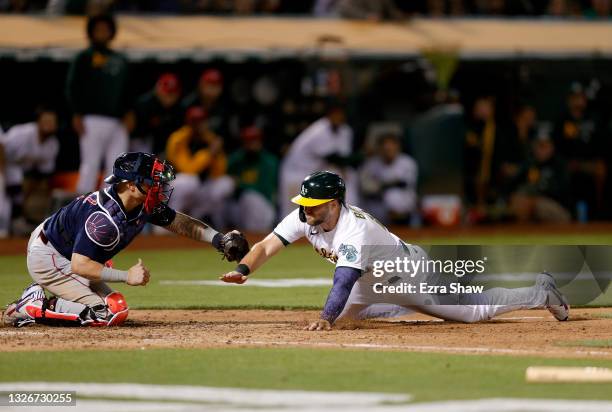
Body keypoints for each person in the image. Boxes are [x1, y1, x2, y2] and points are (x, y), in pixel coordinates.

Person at [220, 171, 569, 331]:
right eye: (305, 202)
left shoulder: (354, 231)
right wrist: (244, 270)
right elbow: (267, 244)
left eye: (314, 203)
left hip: (410, 277)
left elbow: (342, 281)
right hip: (370, 281)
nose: (306, 209)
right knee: (347, 320)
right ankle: (392, 309)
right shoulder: (306, 217)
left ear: (336, 203)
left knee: (473, 312)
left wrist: (325, 318)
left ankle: (541, 293)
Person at [2, 152, 248, 328]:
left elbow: (178, 222)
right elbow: (80, 265)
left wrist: (219, 239)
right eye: (152, 182)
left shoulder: (138, 201)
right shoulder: (103, 219)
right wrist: (126, 276)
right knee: (109, 312)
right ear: (131, 185)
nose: (158, 188)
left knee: (114, 303)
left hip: (69, 249)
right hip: (52, 258)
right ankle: (32, 307)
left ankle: (59, 298)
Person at [66, 14, 130, 194]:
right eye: (98, 29)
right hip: (91, 119)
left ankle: (110, 208)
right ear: (91, 32)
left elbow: (128, 89)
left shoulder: (121, 59)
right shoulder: (83, 57)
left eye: (106, 29)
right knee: (90, 164)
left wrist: (130, 112)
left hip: (117, 121)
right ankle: (82, 211)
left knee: (117, 166)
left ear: (112, 32)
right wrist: (76, 113)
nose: (102, 33)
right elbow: (72, 87)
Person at [279, 101, 359, 218]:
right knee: (291, 212)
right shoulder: (319, 130)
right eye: (334, 114)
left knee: (349, 179)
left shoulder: (345, 131)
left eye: (340, 114)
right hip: (295, 171)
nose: (337, 117)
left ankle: (348, 221)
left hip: (315, 171)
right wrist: (362, 155)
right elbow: (336, 158)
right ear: (328, 115)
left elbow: (343, 158)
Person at [166, 107, 233, 228]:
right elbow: (188, 169)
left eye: (201, 121)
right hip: (175, 188)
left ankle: (197, 217)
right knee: (190, 181)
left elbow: (220, 171)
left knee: (225, 183)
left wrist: (216, 154)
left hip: (199, 189)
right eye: (195, 121)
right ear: (189, 122)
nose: (199, 125)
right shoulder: (178, 138)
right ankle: (169, 220)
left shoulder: (210, 139)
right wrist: (209, 153)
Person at [0, 106, 59, 235]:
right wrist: (2, 173)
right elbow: (2, 145)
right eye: (46, 121)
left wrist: (32, 191)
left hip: (18, 171)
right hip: (4, 163)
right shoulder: (23, 133)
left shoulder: (52, 144)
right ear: (38, 122)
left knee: (17, 194)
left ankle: (12, 227)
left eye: (52, 122)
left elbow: (43, 174)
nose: (49, 125)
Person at [552, 82, 606, 219]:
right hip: (568, 164)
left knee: (601, 169)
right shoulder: (562, 120)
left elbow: (602, 144)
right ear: (569, 100)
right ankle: (569, 214)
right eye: (574, 98)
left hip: (589, 163)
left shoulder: (594, 119)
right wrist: (567, 162)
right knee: (565, 171)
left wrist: (595, 162)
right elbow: (556, 147)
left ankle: (600, 215)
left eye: (580, 97)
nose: (577, 101)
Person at [509, 134, 571, 223]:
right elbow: (513, 184)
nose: (541, 150)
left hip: (558, 207)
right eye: (539, 146)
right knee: (519, 200)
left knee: (534, 204)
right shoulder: (530, 164)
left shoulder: (559, 165)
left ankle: (522, 230)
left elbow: (561, 190)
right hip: (531, 203)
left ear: (552, 147)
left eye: (545, 146)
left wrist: (536, 196)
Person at [227, 126, 278, 232]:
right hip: (241, 206)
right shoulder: (238, 159)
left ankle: (253, 236)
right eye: (248, 140)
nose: (251, 143)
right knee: (224, 187)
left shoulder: (269, 161)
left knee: (249, 197)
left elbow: (263, 188)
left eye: (254, 139)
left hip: (263, 206)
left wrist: (239, 183)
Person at [359, 133, 418, 224]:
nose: (388, 150)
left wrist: (381, 185)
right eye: (385, 148)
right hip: (377, 203)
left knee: (392, 195)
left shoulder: (407, 162)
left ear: (398, 147)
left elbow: (404, 184)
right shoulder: (371, 164)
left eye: (391, 148)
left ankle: (403, 226)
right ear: (380, 149)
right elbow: (366, 188)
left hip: (402, 200)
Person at [130, 73, 183, 155]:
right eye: (167, 92)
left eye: (172, 93)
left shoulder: (179, 108)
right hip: (140, 140)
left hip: (164, 144)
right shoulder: (144, 105)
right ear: (157, 89)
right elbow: (134, 132)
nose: (169, 97)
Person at [180, 69, 228, 139]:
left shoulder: (224, 105)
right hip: (188, 142)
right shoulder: (188, 104)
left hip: (212, 143)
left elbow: (226, 132)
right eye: (209, 85)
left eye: (216, 85)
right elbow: (180, 130)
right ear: (201, 85)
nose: (212, 90)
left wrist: (221, 139)